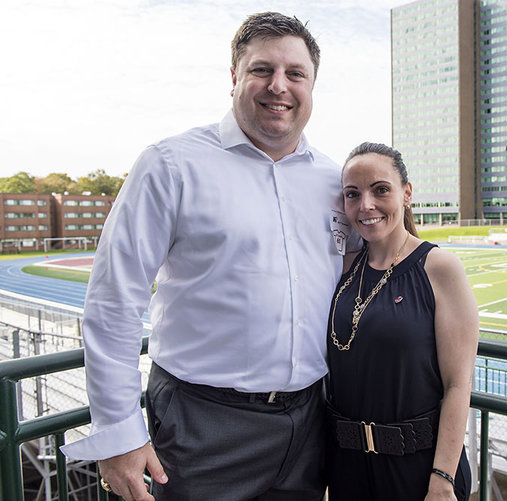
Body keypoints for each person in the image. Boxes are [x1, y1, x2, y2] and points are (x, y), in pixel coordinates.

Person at [61, 12, 356, 501]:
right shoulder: (171, 165)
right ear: (235, 78)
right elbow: (114, 300)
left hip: (309, 423)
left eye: (295, 74)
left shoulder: (334, 181)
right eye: (262, 70)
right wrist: (118, 434)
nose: (278, 86)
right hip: (199, 426)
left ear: (312, 87)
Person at [325, 142, 479, 500]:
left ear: (406, 194)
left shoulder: (439, 268)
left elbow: (458, 385)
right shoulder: (344, 270)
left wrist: (442, 477)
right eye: (353, 194)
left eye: (380, 190)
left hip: (418, 468)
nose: (366, 205)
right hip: (348, 466)